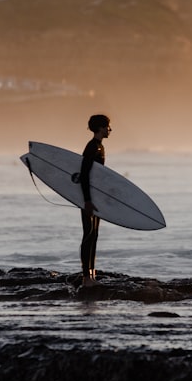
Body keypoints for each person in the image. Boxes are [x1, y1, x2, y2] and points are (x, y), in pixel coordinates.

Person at [79, 114, 111, 287]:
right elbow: (84, 175)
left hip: (95, 197)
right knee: (88, 234)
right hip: (89, 198)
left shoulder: (100, 147)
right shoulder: (92, 147)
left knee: (94, 235)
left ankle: (92, 274)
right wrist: (87, 200)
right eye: (107, 127)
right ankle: (86, 278)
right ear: (100, 128)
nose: (109, 130)